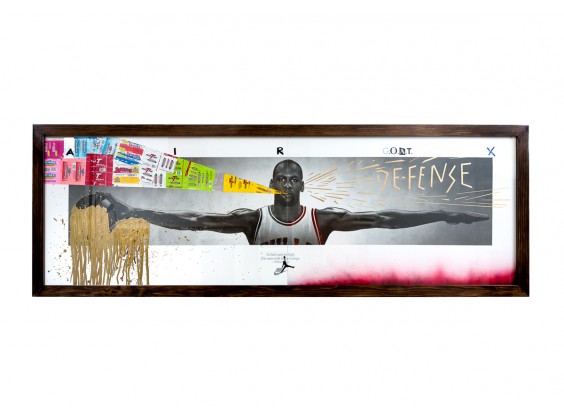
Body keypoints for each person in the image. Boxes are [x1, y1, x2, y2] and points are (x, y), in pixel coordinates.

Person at [76, 159, 488, 245]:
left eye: (294, 179)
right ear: (272, 184)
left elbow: (384, 218)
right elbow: (195, 219)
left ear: (302, 185)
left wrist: (444, 213)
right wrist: (132, 211)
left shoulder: (324, 219)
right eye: (282, 179)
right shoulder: (251, 219)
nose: (288, 184)